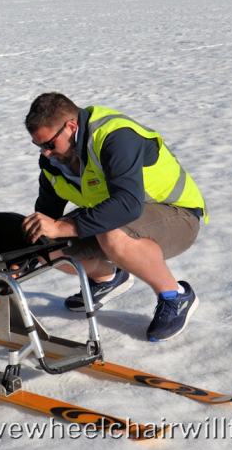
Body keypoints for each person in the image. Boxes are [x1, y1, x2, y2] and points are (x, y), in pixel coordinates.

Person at [21, 92, 206, 342]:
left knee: (111, 233)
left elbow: (128, 205)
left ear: (72, 127)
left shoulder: (115, 137)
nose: (45, 153)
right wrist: (20, 265)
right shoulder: (54, 162)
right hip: (119, 219)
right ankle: (106, 279)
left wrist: (64, 227)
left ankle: (175, 295)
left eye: (49, 144)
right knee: (48, 247)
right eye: (39, 146)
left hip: (179, 217)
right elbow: (46, 215)